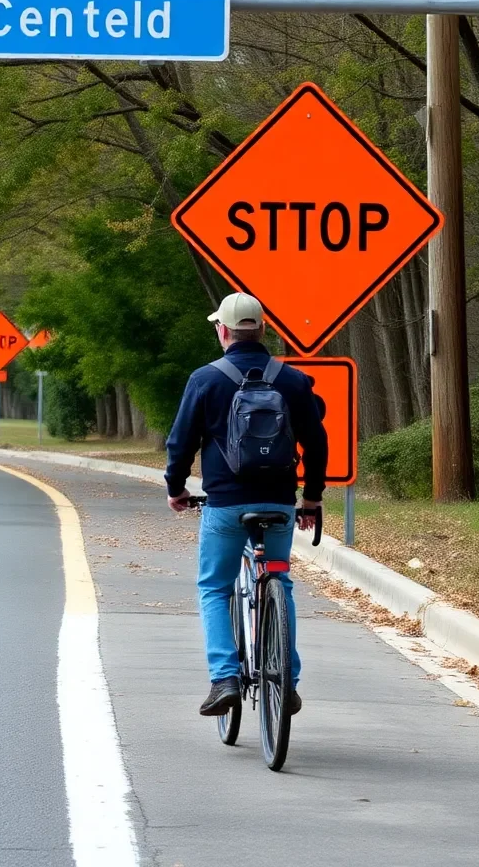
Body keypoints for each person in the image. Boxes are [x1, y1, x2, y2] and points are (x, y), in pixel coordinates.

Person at [164, 292, 328, 718]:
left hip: (226, 504)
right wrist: (311, 497)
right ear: (263, 328)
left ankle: (224, 679)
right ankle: (287, 683)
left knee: (215, 587)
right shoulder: (292, 380)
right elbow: (317, 441)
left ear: (223, 331)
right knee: (280, 578)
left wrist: (176, 487)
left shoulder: (206, 379)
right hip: (278, 501)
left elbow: (181, 442)